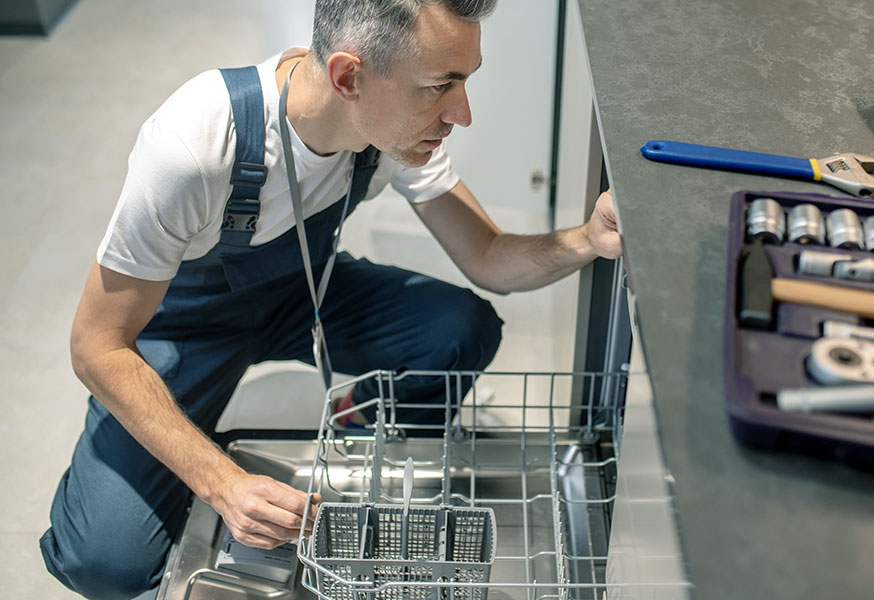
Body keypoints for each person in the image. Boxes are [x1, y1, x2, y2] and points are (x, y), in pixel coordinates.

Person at [39, 0, 622, 597]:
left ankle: (356, 425)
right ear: (348, 76)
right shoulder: (195, 144)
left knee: (458, 327)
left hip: (304, 290)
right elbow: (96, 346)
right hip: (186, 324)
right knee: (103, 560)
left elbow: (488, 258)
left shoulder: (390, 134)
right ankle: (189, 434)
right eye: (439, 86)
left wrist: (588, 240)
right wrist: (222, 482)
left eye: (466, 79)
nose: (461, 113)